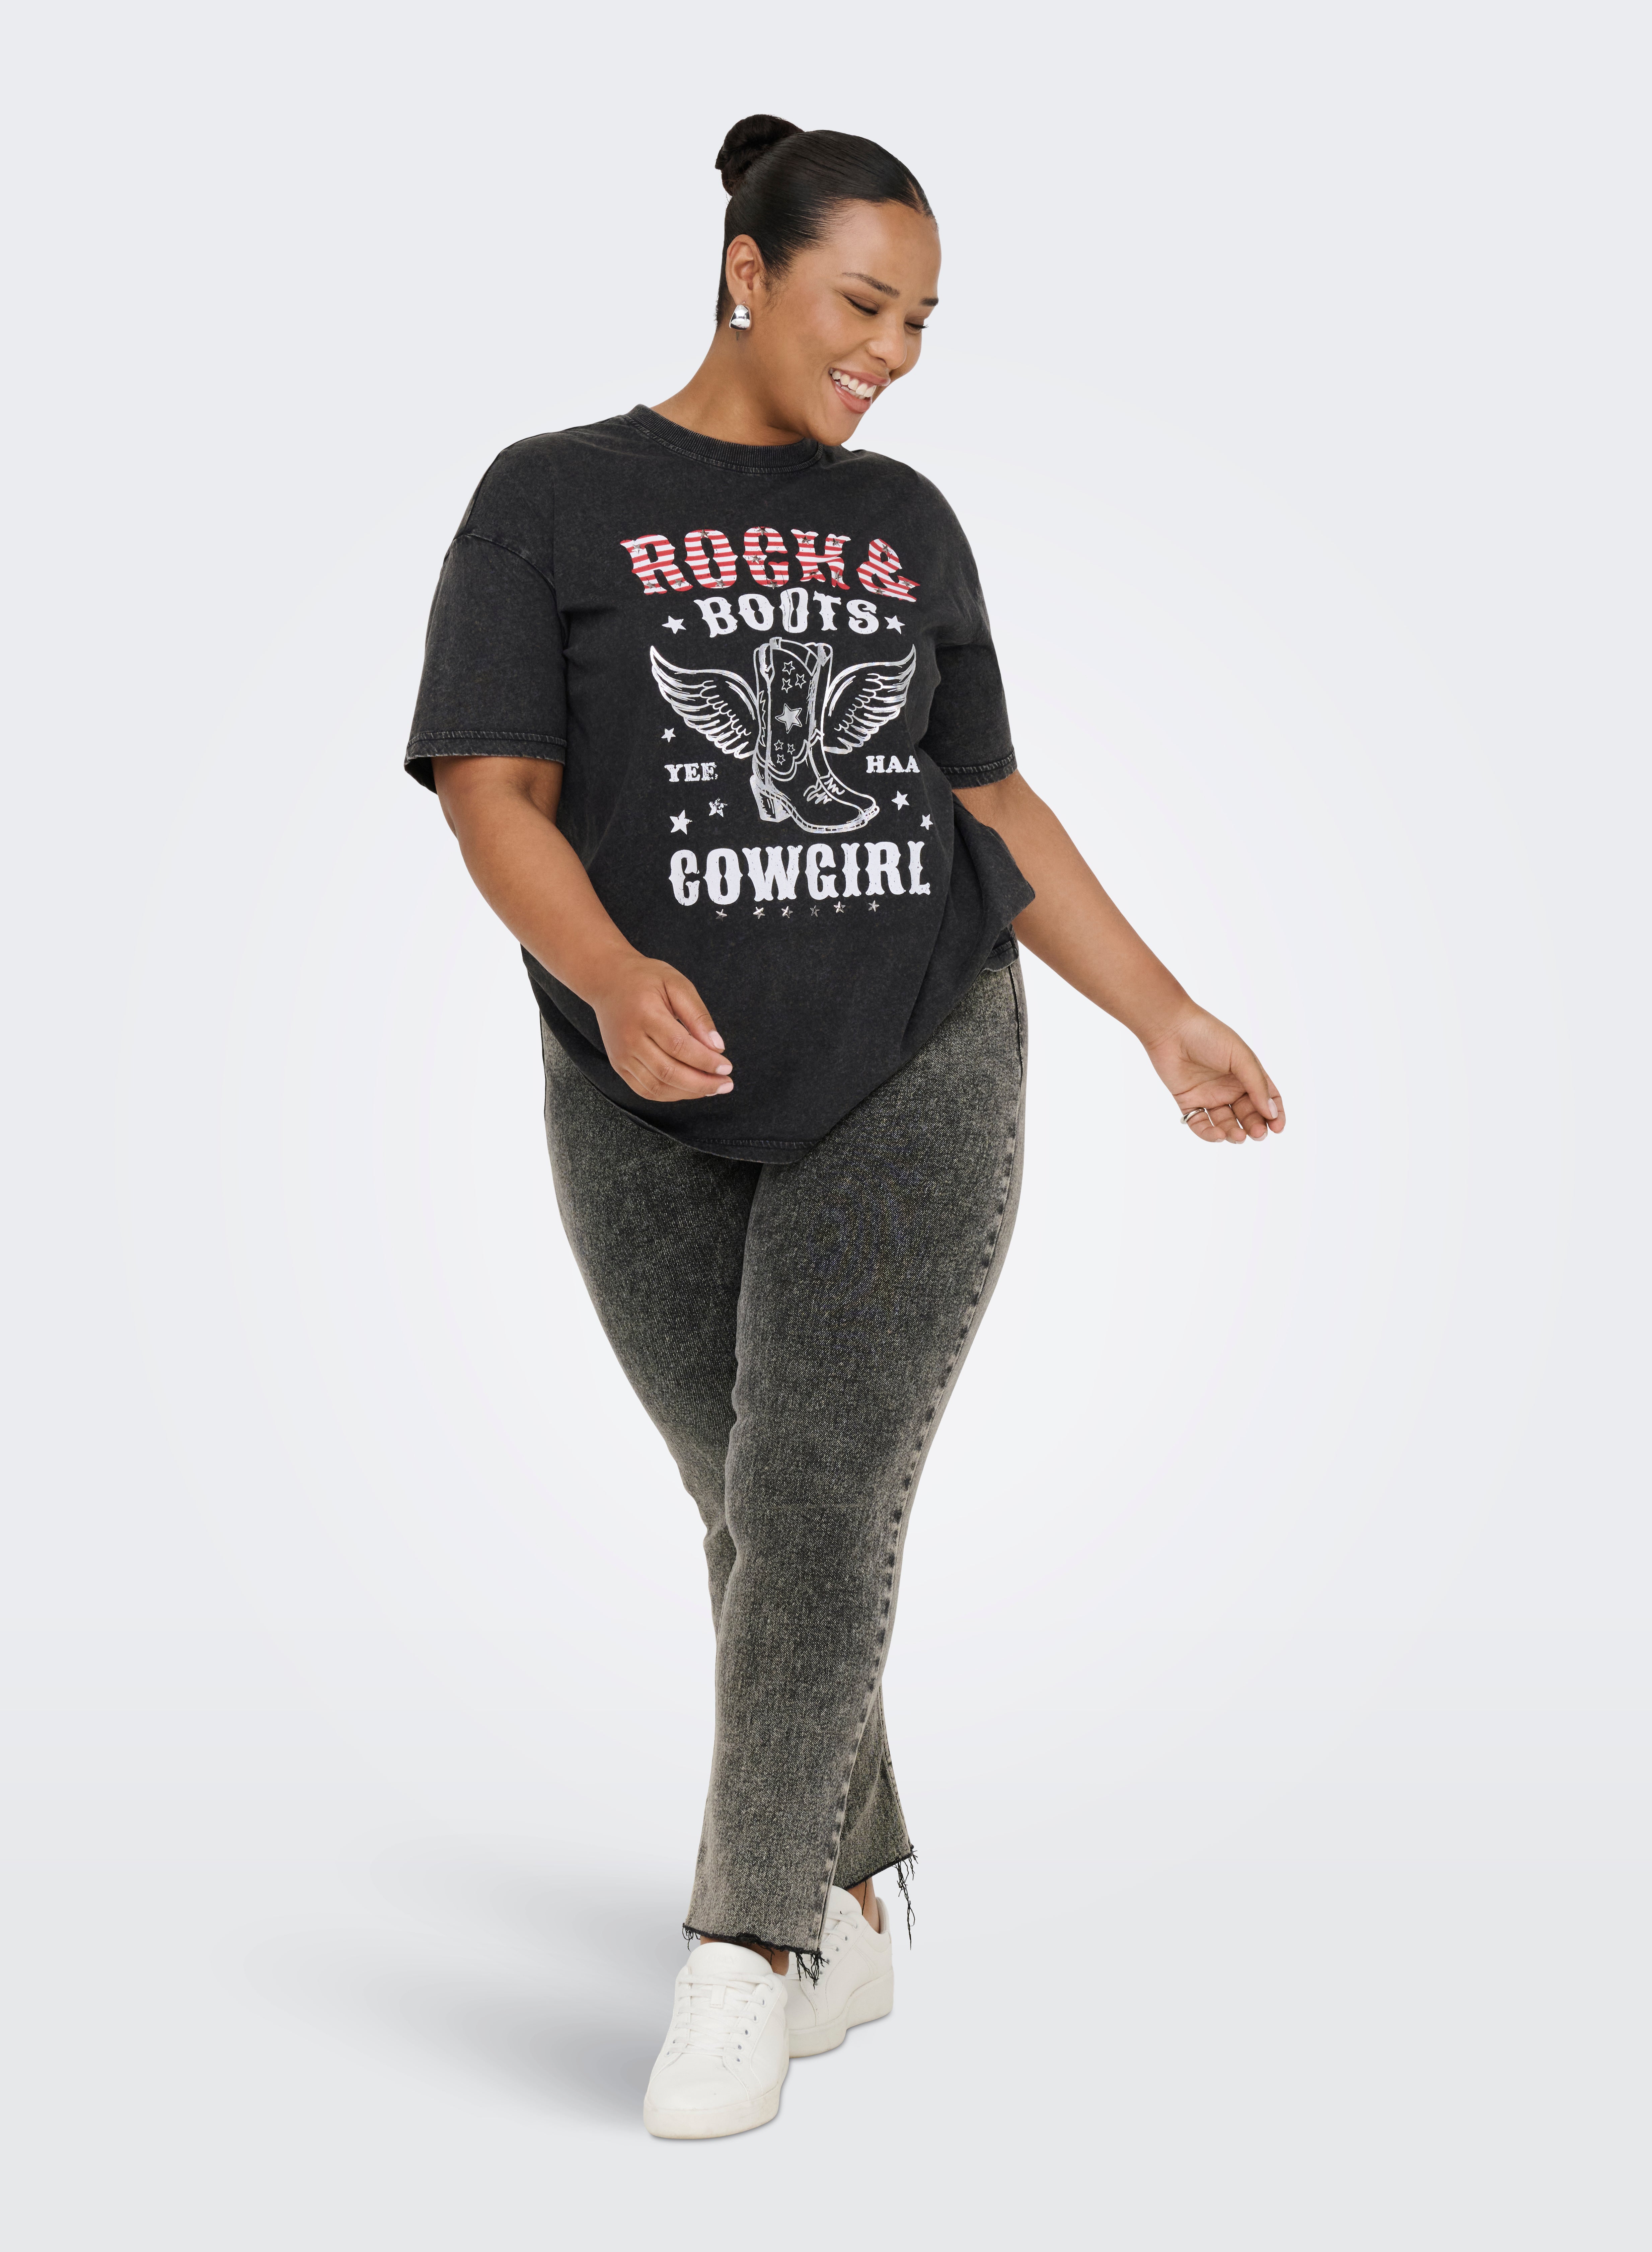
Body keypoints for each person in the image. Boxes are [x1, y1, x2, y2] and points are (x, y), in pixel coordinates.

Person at [405, 114, 1286, 2141]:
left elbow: (985, 798)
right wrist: (611, 972)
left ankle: (745, 1947)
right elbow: (489, 790)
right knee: (746, 1495)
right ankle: (857, 1884)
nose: (889, 354)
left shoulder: (903, 520)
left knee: (814, 1489)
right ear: (748, 271)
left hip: (918, 1049)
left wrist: (1160, 1012)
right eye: (860, 305)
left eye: (920, 324)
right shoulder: (549, 498)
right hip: (640, 1083)